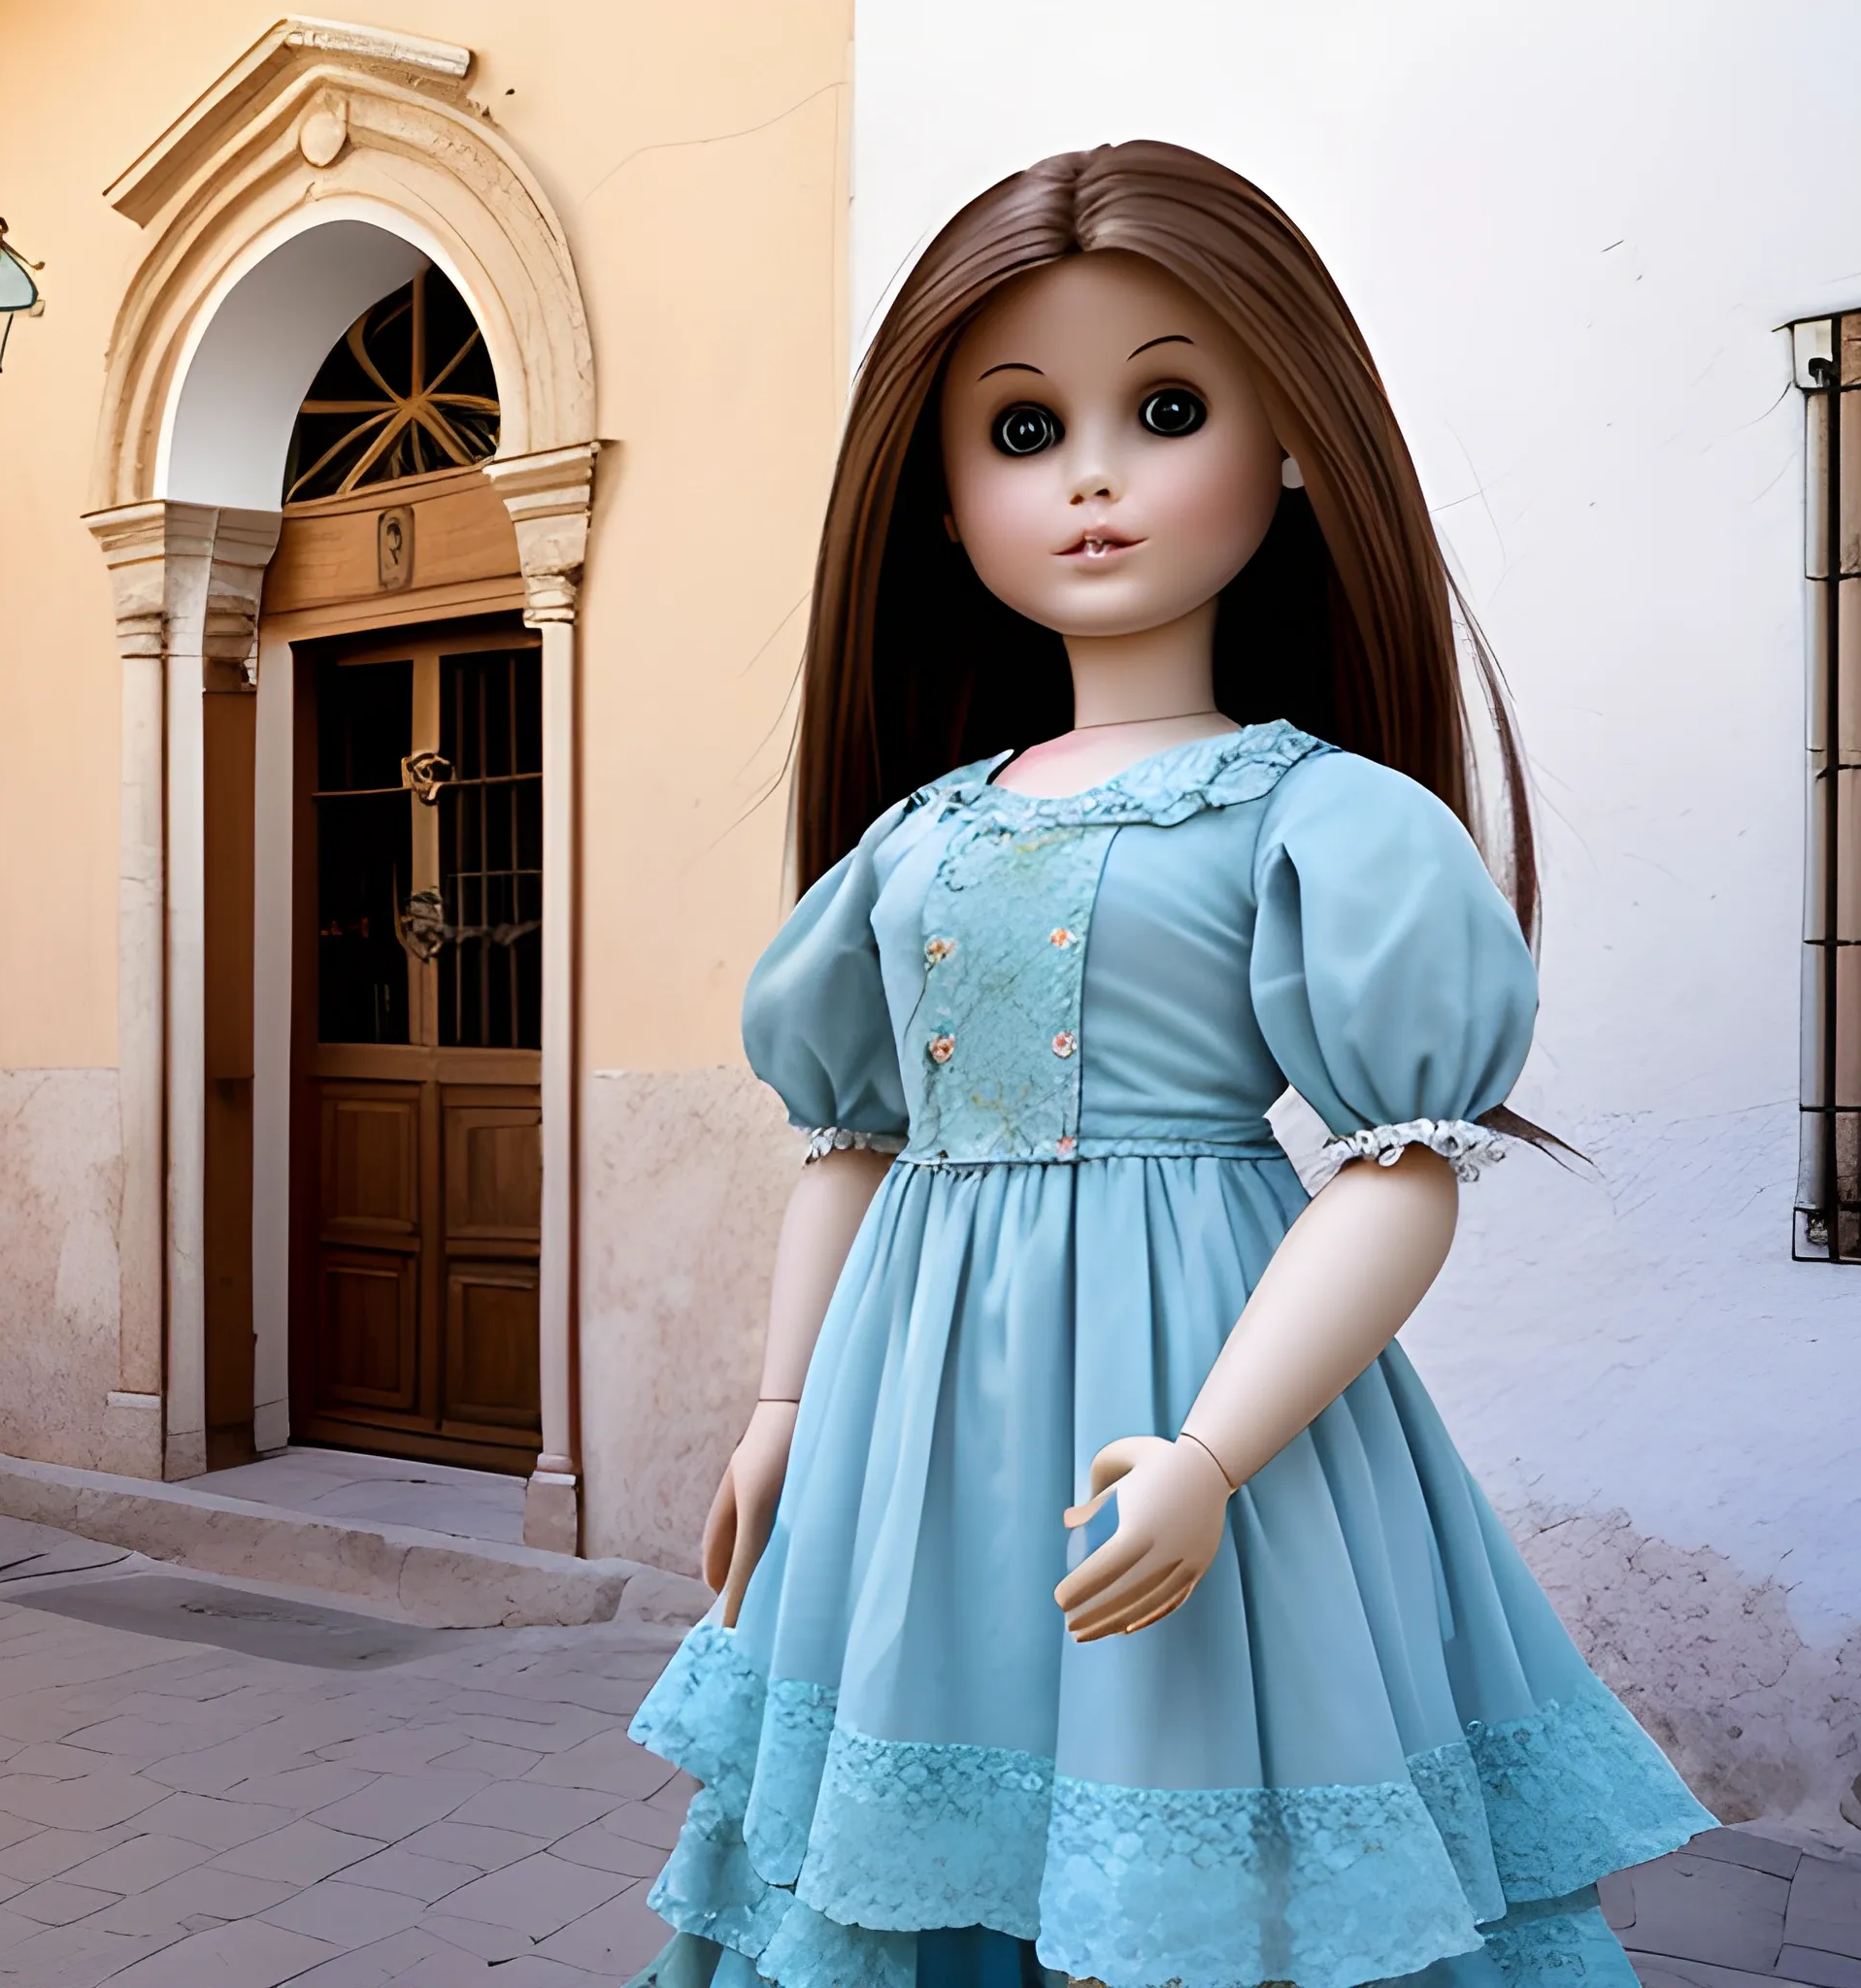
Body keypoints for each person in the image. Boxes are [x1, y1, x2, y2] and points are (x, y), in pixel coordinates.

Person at [624, 142, 1714, 1988]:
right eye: (1025, 429)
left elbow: (1398, 1164)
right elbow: (851, 1138)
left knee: (1197, 1790)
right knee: (911, 1808)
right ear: (943, 501)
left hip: (1198, 1373)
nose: (1099, 475)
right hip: (913, 1432)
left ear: (1293, 448)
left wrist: (1217, 1449)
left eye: (1171, 405)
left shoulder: (1321, 816)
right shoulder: (915, 837)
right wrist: (781, 1413)